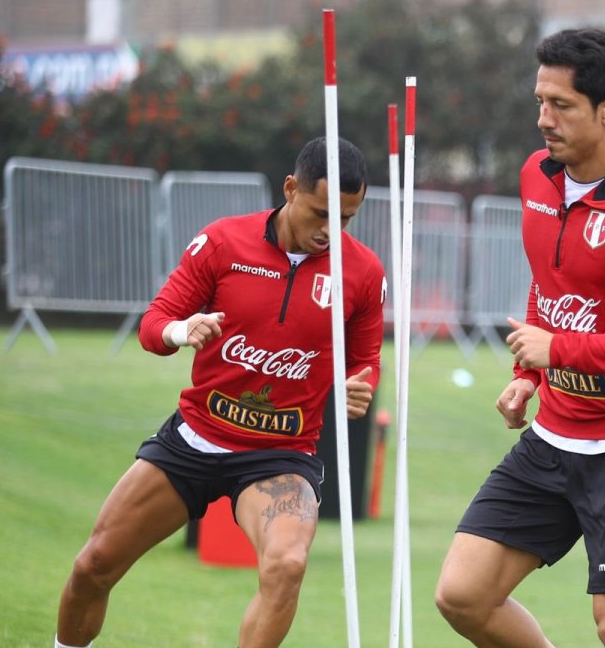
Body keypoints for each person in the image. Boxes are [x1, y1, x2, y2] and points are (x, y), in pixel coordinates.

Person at [54, 137, 386, 648]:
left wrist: (358, 388)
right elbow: (153, 325)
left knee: (287, 565)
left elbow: (365, 363)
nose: (330, 232)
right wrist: (179, 331)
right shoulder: (223, 243)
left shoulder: (362, 273)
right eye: (321, 213)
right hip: (195, 439)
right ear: (290, 188)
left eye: (345, 219)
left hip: (280, 455)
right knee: (92, 566)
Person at [434, 28, 605, 647]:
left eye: (561, 106)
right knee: (463, 595)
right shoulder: (536, 175)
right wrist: (530, 376)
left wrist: (559, 352)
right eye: (540, 101)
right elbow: (551, 284)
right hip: (555, 433)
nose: (543, 119)